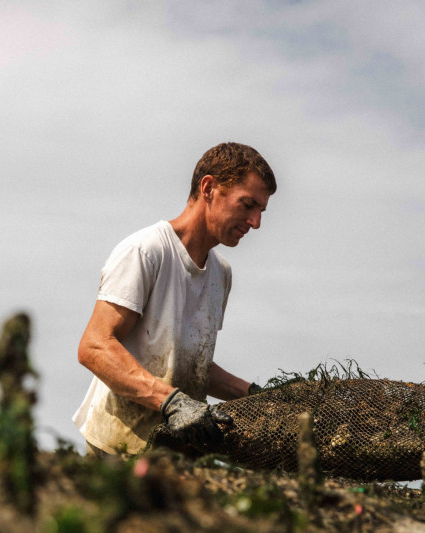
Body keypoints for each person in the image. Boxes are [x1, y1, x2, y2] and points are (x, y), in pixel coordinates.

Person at [73, 142, 276, 457]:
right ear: (208, 188)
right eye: (247, 204)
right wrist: (170, 401)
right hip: (117, 450)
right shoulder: (146, 251)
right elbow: (94, 347)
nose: (255, 222)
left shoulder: (220, 273)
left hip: (177, 454)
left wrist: (251, 394)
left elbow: (188, 365)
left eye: (261, 211)